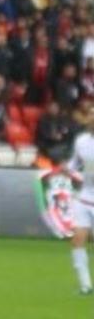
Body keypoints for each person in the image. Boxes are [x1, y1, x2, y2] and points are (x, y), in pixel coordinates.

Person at [65, 100, 93, 295]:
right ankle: (85, 285)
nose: (91, 117)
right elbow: (74, 164)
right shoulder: (81, 141)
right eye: (90, 114)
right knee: (77, 240)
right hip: (84, 198)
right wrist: (66, 170)